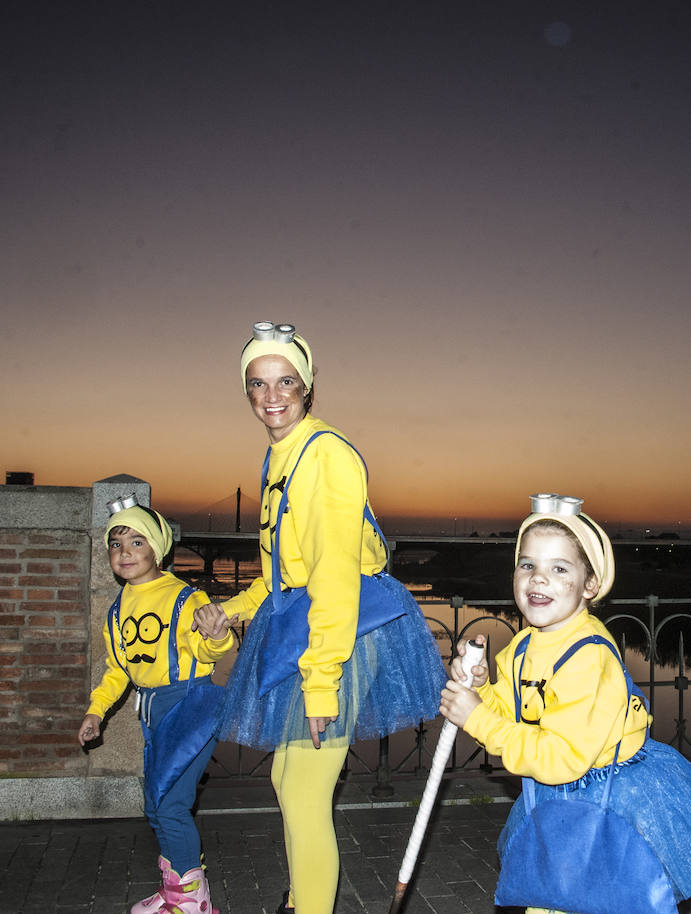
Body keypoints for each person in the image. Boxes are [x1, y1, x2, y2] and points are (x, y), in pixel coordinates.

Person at [194, 321, 446, 914]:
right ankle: (301, 897)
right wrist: (231, 611)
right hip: (317, 624)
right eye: (258, 384)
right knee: (289, 783)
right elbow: (285, 572)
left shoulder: (324, 454)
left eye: (286, 381)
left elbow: (332, 576)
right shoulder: (281, 455)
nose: (271, 395)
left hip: (343, 635)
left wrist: (321, 684)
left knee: (306, 793)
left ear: (308, 386)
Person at [439, 494, 691, 914]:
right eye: (527, 564)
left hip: (609, 803)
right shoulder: (523, 646)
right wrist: (482, 691)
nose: (537, 579)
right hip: (558, 799)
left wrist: (474, 718)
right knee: (554, 898)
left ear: (590, 585)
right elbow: (518, 716)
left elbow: (561, 757)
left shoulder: (588, 658)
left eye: (558, 568)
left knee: (604, 899)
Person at [78, 497, 233, 914]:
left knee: (169, 804)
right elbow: (117, 670)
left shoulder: (184, 597)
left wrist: (216, 633)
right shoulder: (118, 610)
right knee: (157, 803)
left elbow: (216, 646)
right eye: (116, 544)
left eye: (136, 541)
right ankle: (176, 888)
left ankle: (192, 902)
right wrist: (96, 711)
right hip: (151, 711)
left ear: (158, 549)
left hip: (188, 705)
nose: (124, 552)